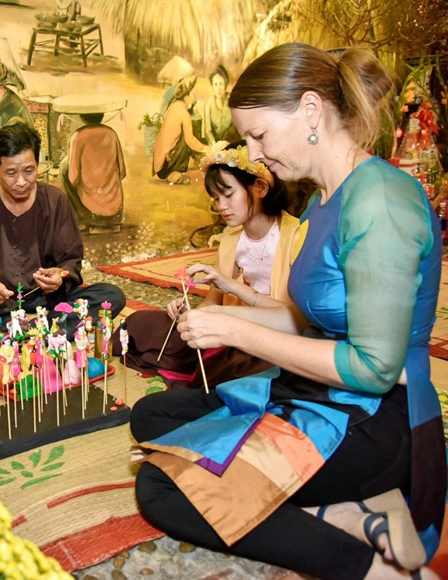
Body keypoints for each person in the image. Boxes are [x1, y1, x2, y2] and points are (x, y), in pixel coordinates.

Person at [131, 43, 445, 580]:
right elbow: (306, 320)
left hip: (374, 422)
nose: (253, 154)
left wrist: (239, 331)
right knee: (154, 416)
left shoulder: (381, 201)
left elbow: (375, 368)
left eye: (259, 135)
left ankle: (369, 568)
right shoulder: (326, 197)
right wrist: (223, 320)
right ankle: (341, 509)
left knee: (161, 484)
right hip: (317, 393)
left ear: (309, 110)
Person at [112, 143, 298, 390]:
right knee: (137, 323)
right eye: (216, 198)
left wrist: (233, 288)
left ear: (260, 187)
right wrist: (190, 312)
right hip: (226, 325)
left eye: (229, 195)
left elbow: (295, 320)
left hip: (269, 337)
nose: (221, 206)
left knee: (248, 365)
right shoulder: (231, 240)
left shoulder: (295, 236)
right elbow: (213, 302)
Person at [0, 123, 125, 335]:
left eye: (29, 170)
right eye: (11, 173)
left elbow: (71, 260)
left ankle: (13, 331)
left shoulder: (55, 200)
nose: (21, 182)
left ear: (38, 164)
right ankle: (45, 328)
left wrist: (59, 276)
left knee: (111, 296)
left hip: (46, 298)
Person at [61, 111, 126, 233]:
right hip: (115, 211)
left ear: (82, 116)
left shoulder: (78, 136)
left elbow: (73, 178)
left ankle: (81, 218)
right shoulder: (111, 133)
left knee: (64, 169)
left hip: (91, 211)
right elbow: (122, 172)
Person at [152, 77, 208, 185]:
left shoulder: (174, 105)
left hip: (159, 163)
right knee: (188, 137)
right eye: (192, 94)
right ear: (186, 96)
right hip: (165, 164)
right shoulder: (183, 112)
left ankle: (173, 173)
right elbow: (190, 140)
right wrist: (206, 149)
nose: (193, 97)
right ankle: (174, 173)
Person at [202, 64, 237, 145]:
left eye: (221, 84)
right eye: (215, 84)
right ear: (212, 86)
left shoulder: (232, 101)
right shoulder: (209, 104)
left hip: (231, 143)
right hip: (214, 144)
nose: (218, 88)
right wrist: (215, 146)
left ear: (226, 84)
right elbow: (208, 131)